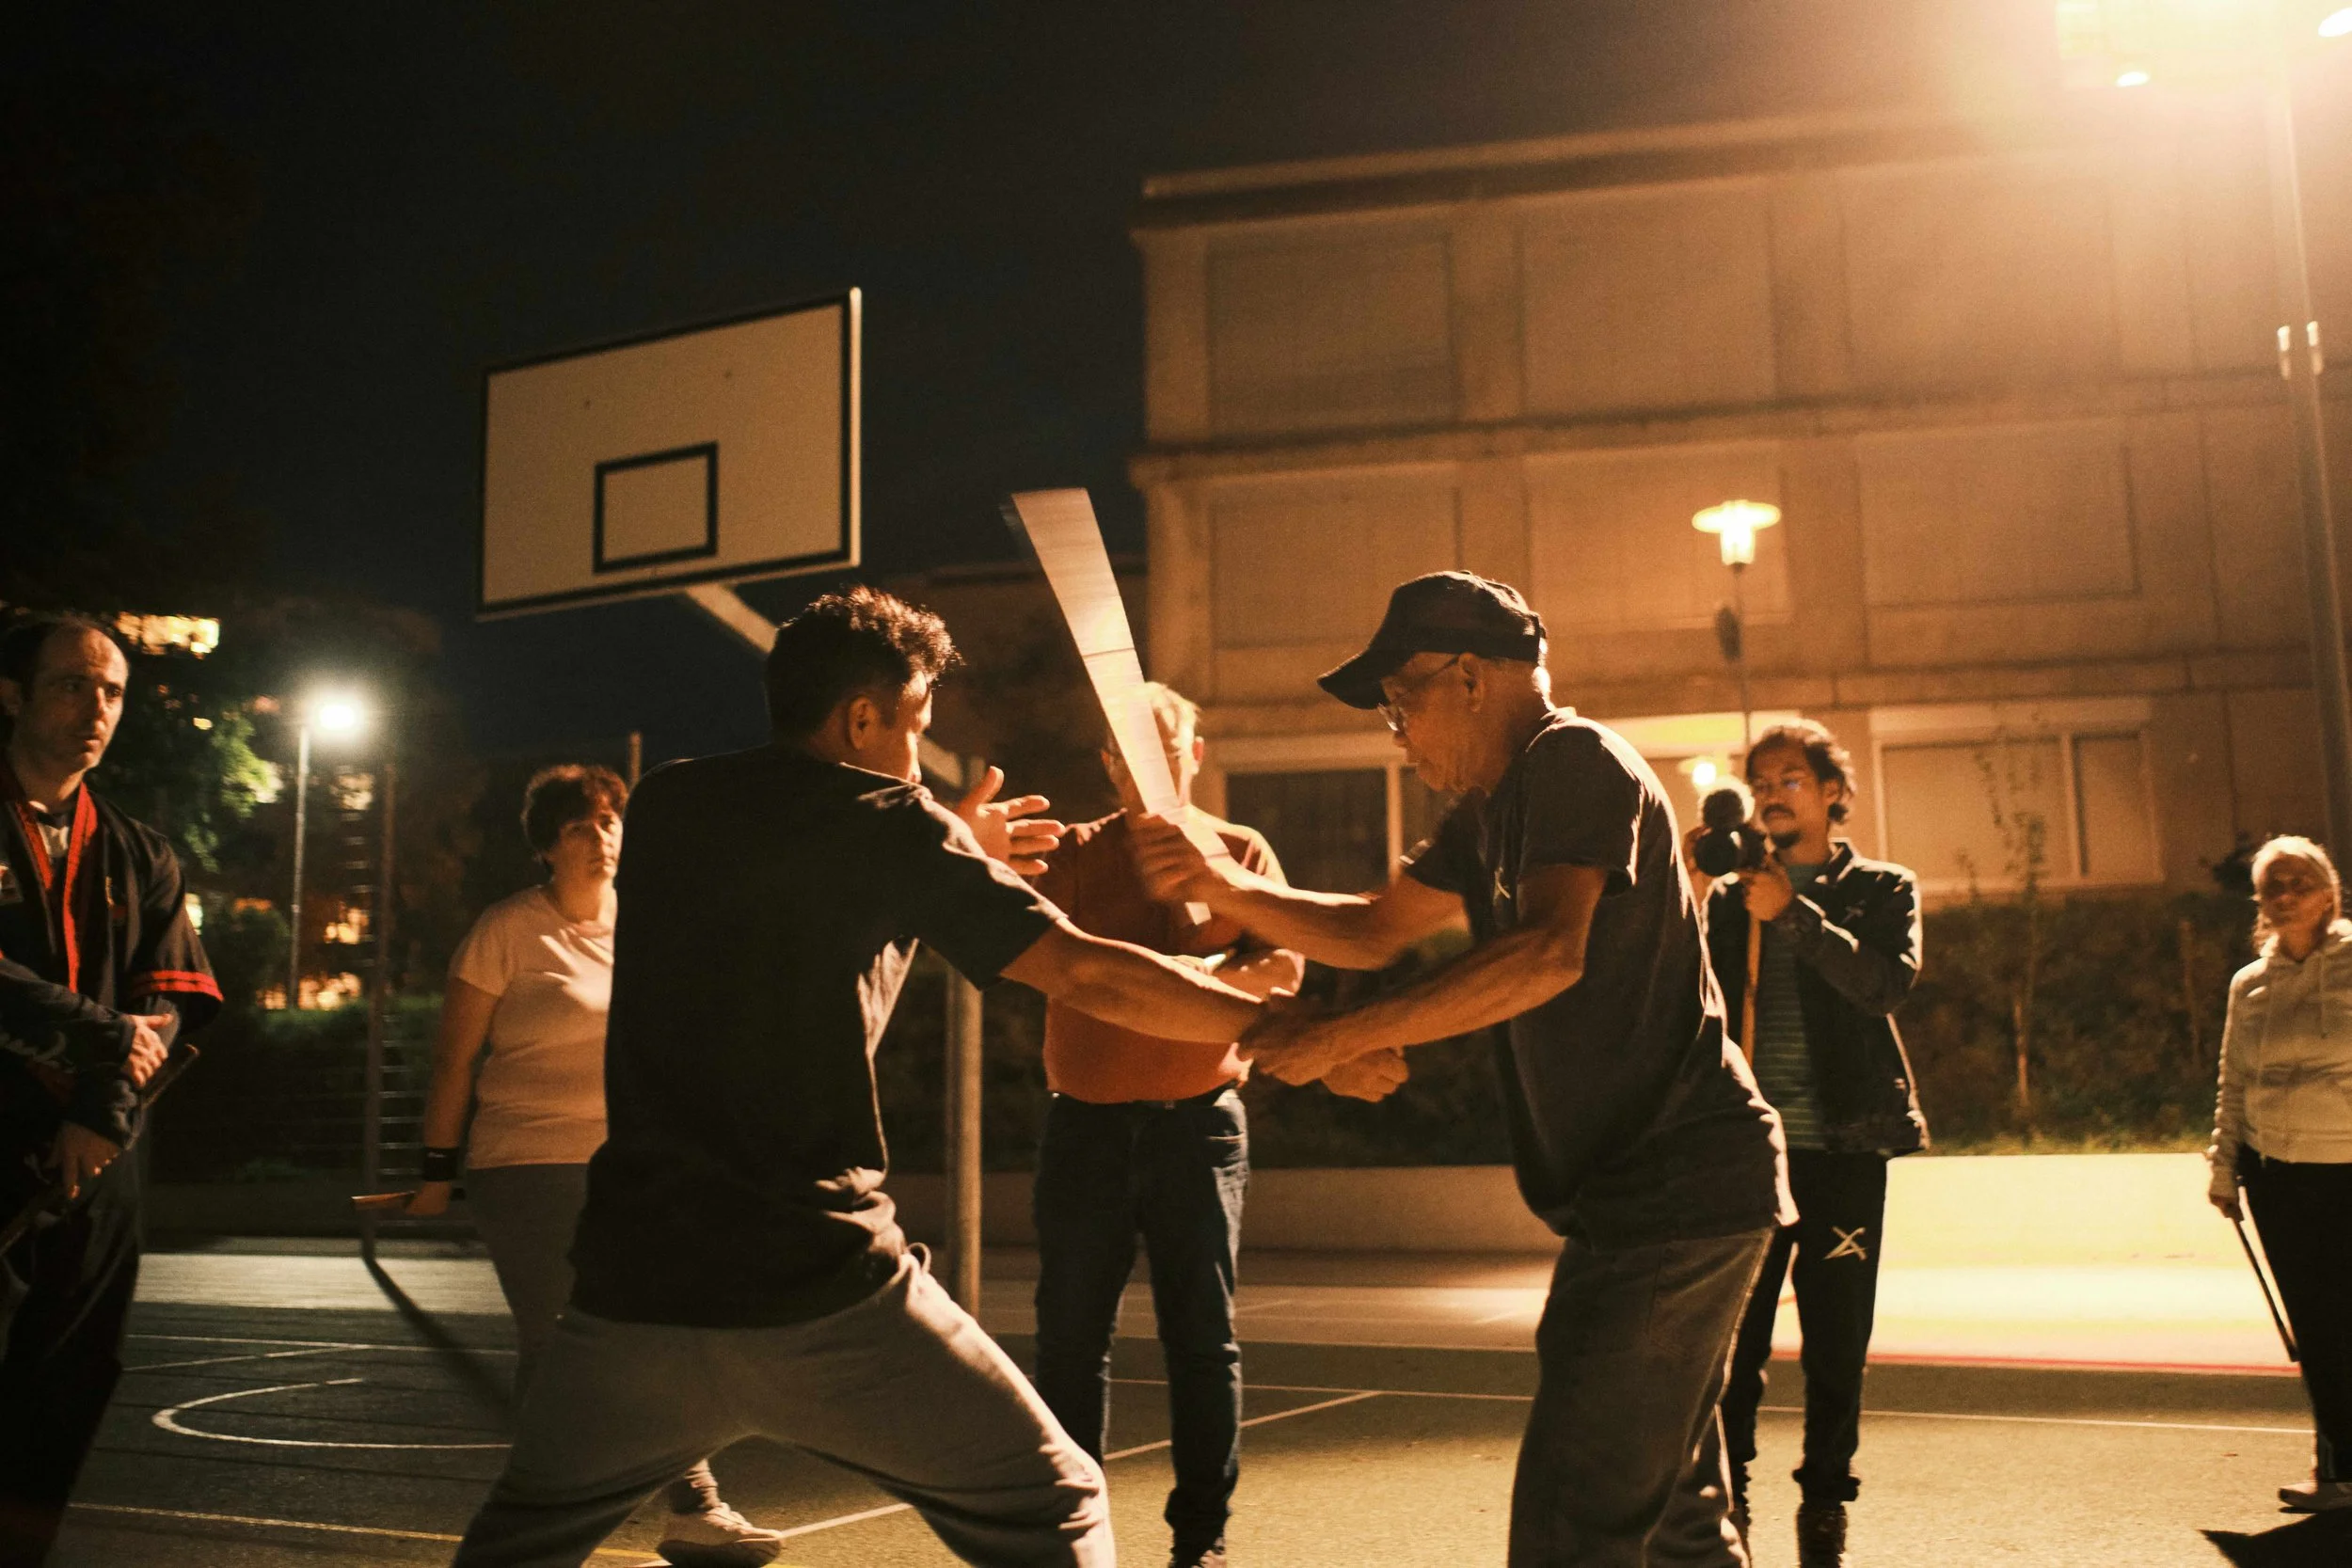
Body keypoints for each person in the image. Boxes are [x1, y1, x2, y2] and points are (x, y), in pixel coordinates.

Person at [449, 587, 1279, 1568]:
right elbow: (1090, 973)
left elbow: (794, 883)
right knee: (1057, 1498)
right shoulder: (897, 824)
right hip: (820, 1288)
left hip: (629, 1299)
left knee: (514, 1544)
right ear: (860, 719)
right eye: (915, 724)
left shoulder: (668, 802)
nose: (918, 753)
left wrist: (951, 847)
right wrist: (1296, 1026)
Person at [1132, 570, 1790, 1568]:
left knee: (1573, 1523)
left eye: (1401, 703)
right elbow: (1372, 928)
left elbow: (1548, 951)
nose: (1396, 734)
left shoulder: (1571, 759)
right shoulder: (1488, 810)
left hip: (1675, 1189)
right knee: (1675, 1522)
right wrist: (1217, 883)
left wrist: (1339, 1037)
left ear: (1472, 678)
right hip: (1647, 1197)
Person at [405, 765, 780, 1566]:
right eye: (581, 825)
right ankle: (535, 1531)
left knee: (664, 1332)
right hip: (527, 1164)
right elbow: (452, 1061)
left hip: (630, 1164)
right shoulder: (508, 930)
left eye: (610, 821)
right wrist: (437, 1172)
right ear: (547, 845)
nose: (601, 837)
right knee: (562, 1343)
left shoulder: (642, 926)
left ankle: (695, 1509)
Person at [1029, 682, 1309, 1568]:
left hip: (1200, 1129)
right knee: (1070, 1341)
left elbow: (1283, 973)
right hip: (1085, 1130)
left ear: (1195, 751)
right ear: (1109, 764)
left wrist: (1170, 978)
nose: (1143, 764)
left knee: (1202, 1341)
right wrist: (1208, 969)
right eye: (1125, 750)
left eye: (1161, 745)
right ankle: (1076, 1535)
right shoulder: (1074, 853)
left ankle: (1201, 1541)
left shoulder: (1240, 853)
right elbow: (1034, 952)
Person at [0, 611, 219, 1568]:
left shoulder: (141, 850)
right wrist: (101, 1038)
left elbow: (167, 1002)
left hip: (99, 1163)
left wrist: (101, 1111)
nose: (96, 707)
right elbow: (107, 1022)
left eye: (113, 691)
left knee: (69, 1380)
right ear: (12, 693)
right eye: (71, 684)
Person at [1694, 721, 1927, 1568]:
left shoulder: (1882, 887)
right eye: (1761, 782)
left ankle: (1826, 1499)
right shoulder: (1729, 897)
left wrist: (1792, 915)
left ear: (1832, 791)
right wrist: (1690, 886)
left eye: (1790, 778)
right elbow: (1686, 1002)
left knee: (1836, 1340)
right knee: (1735, 1343)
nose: (1772, 793)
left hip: (1843, 1148)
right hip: (1751, 1154)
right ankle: (1730, 1500)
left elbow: (1884, 983)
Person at [2208, 834, 2352, 1514]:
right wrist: (2224, 1165)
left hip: (2346, 1163)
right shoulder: (2250, 984)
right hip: (2277, 1175)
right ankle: (2338, 1469)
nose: (2286, 895)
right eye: (2273, 886)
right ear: (2260, 902)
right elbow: (2233, 1080)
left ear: (2328, 892)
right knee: (2316, 1328)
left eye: (2299, 882)